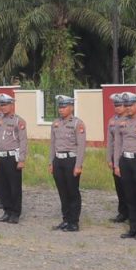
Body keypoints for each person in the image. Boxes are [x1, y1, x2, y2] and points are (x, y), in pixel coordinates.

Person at [48, 95, 85, 232]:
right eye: (60, 107)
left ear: (71, 107)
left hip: (71, 160)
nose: (61, 110)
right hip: (58, 160)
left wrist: (78, 165)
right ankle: (66, 219)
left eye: (64, 107)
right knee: (62, 192)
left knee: (72, 191)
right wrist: (51, 162)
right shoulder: (56, 123)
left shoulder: (77, 123)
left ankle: (74, 222)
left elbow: (81, 146)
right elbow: (52, 143)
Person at [115, 92, 136, 240]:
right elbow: (118, 145)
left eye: (131, 105)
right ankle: (133, 228)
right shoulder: (121, 122)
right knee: (129, 196)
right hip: (125, 161)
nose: (128, 108)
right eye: (126, 105)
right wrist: (117, 164)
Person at [0, 94, 28, 224]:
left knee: (14, 186)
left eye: (6, 104)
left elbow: (23, 141)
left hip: (12, 157)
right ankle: (6, 211)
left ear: (12, 105)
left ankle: (15, 213)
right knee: (3, 186)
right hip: (1, 157)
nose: (3, 107)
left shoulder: (18, 121)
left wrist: (22, 159)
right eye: (1, 105)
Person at [106, 94, 130, 224]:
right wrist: (109, 159)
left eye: (120, 105)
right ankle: (123, 212)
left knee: (130, 187)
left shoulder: (131, 120)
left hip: (128, 157)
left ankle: (133, 213)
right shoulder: (112, 121)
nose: (117, 108)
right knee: (119, 186)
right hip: (116, 158)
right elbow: (110, 141)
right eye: (115, 106)